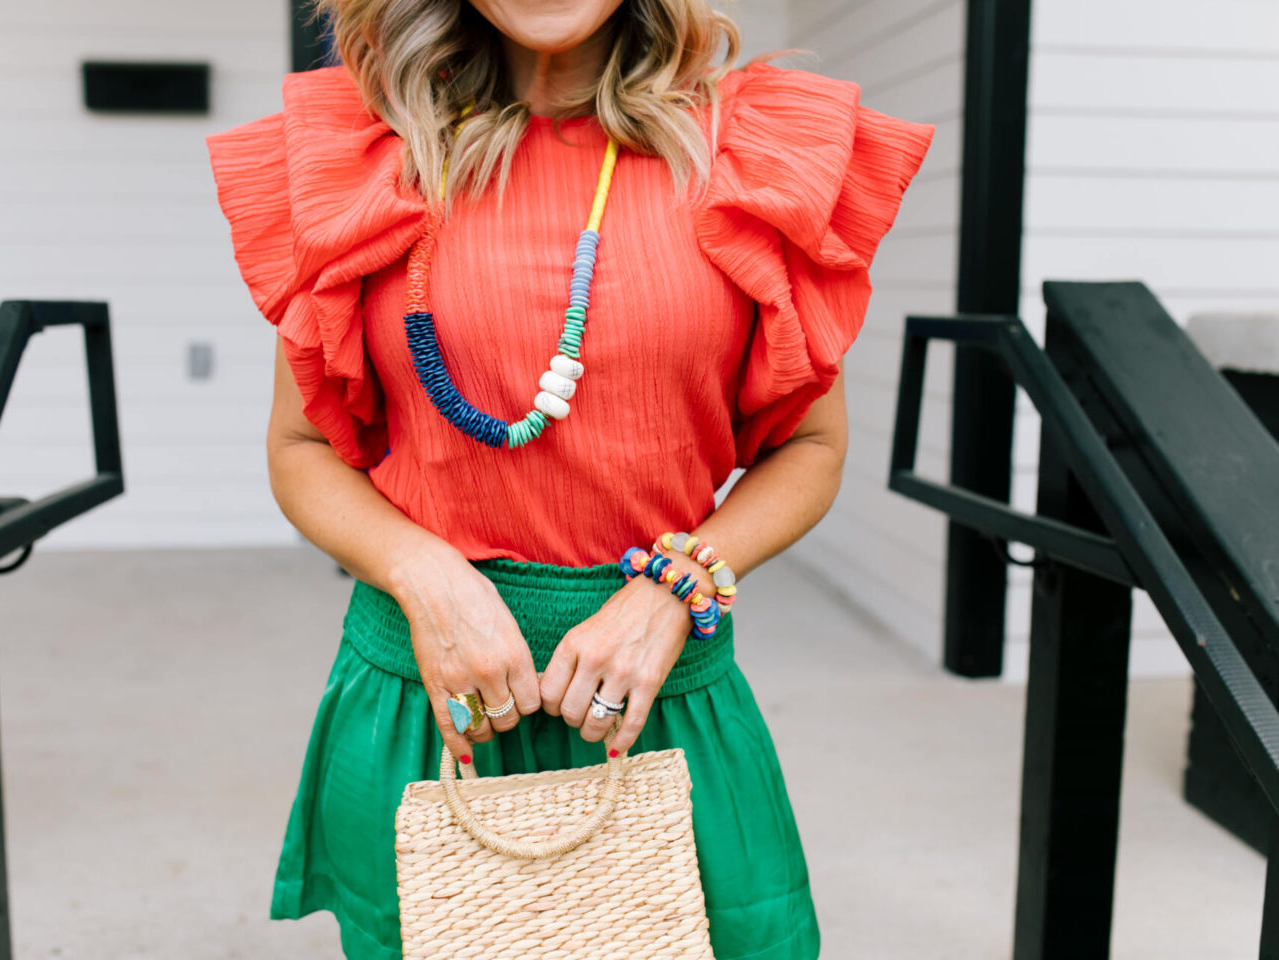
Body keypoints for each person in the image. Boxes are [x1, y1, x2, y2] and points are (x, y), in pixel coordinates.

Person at [206, 0, 932, 956]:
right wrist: (427, 580)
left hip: (657, 692)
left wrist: (674, 591)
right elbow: (300, 448)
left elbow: (811, 447)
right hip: (431, 700)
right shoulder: (369, 153)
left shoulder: (746, 151)